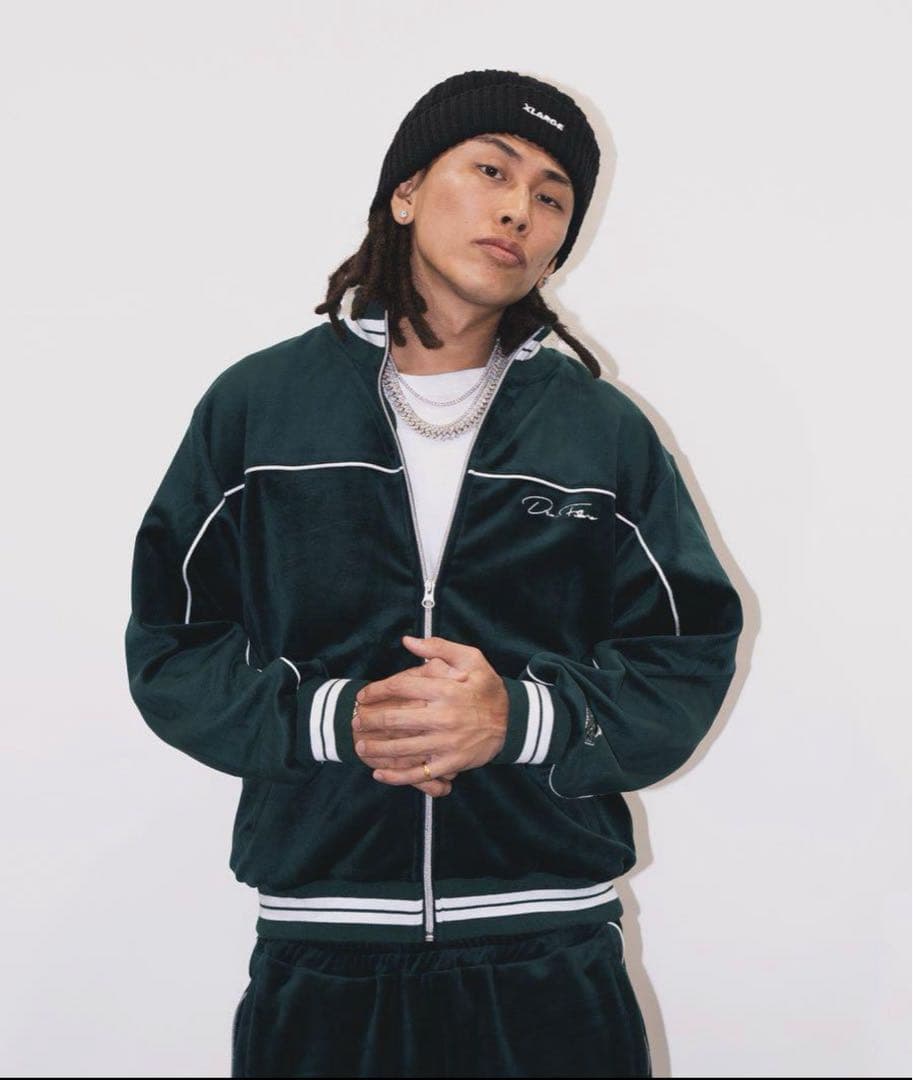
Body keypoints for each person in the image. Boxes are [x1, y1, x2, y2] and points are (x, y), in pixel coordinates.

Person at [124, 68, 743, 1078]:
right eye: (491, 170)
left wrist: (520, 719)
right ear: (406, 192)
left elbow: (686, 655)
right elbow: (171, 648)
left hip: (548, 958)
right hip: (324, 957)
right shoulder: (258, 408)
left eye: (551, 196)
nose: (519, 209)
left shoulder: (600, 432)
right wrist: (329, 719)